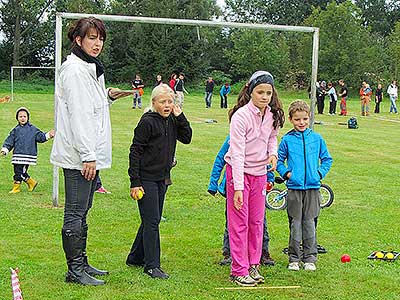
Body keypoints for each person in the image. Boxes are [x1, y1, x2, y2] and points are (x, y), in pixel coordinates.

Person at [50, 17, 132, 286]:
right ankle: (74, 271)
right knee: (75, 212)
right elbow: (80, 116)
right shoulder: (74, 70)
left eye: (100, 39)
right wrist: (88, 155)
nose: (97, 44)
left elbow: (93, 108)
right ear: (78, 39)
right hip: (78, 156)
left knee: (84, 210)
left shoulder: (90, 67)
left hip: (86, 153)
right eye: (92, 38)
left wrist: (108, 96)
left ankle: (82, 264)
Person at [224, 71, 284, 287]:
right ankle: (239, 269)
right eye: (260, 92)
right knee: (239, 223)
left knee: (256, 222)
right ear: (251, 92)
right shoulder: (241, 116)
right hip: (238, 174)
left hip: (260, 174)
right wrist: (238, 188)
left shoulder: (272, 115)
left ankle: (253, 265)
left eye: (268, 92)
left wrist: (273, 154)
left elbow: (272, 138)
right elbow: (237, 153)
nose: (265, 96)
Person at [126, 84, 192, 279]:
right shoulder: (147, 122)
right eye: (163, 102)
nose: (167, 105)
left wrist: (180, 117)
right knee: (152, 221)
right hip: (145, 178)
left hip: (162, 178)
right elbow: (135, 151)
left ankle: (135, 257)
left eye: (170, 101)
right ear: (154, 103)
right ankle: (152, 265)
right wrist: (134, 181)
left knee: (150, 219)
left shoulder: (172, 120)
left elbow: (187, 138)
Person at [277, 100, 332, 272]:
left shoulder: (316, 138)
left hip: (313, 188)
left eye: (305, 119)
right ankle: (294, 258)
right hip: (294, 188)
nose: (301, 123)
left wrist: (319, 173)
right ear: (291, 120)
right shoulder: (286, 140)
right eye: (297, 119)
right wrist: (286, 173)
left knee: (309, 223)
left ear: (309, 119)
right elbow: (278, 160)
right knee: (295, 223)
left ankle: (310, 258)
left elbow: (327, 159)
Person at [208, 135, 275, 267]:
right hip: (235, 187)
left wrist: (270, 179)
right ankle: (230, 253)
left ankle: (263, 252)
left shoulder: (260, 137)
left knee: (259, 221)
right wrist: (213, 184)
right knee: (233, 223)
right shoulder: (232, 138)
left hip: (255, 186)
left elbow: (266, 162)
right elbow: (220, 159)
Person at [1, 107, 55, 193]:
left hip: (27, 155)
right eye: (20, 116)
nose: (22, 118)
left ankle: (20, 186)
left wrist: (49, 135)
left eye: (24, 116)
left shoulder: (32, 129)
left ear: (28, 117)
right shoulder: (15, 130)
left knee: (20, 172)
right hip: (17, 155)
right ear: (17, 118)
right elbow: (10, 141)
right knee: (17, 171)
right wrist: (5, 149)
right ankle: (30, 183)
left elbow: (40, 137)